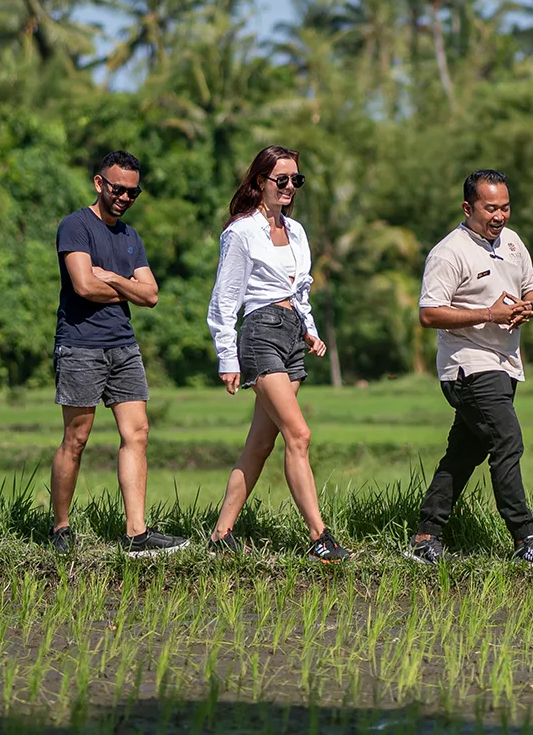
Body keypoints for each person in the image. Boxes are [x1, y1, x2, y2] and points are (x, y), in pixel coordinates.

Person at [203, 145, 351, 562]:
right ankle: (319, 536)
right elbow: (224, 300)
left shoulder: (297, 231)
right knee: (298, 435)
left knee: (260, 444)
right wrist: (227, 357)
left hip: (290, 334)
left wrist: (310, 331)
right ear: (259, 181)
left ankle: (220, 535)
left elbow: (299, 291)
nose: (289, 187)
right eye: (281, 180)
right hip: (261, 333)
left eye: (295, 180)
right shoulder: (241, 232)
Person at [406, 169, 533, 568]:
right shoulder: (449, 252)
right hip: (468, 366)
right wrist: (489, 314)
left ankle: (426, 535)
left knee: (464, 452)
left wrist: (529, 307)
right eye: (490, 208)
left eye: (505, 207)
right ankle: (525, 538)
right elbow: (428, 314)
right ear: (467, 207)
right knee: (507, 441)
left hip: (506, 364)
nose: (499, 216)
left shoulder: (512, 242)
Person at [49, 149, 187, 559]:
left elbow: (152, 295)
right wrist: (128, 287)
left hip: (123, 346)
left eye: (133, 192)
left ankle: (136, 533)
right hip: (80, 345)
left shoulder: (130, 237)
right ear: (99, 183)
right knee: (77, 438)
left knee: (137, 433)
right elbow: (83, 287)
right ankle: (60, 526)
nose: (125, 197)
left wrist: (110, 277)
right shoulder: (75, 226)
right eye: (118, 189)